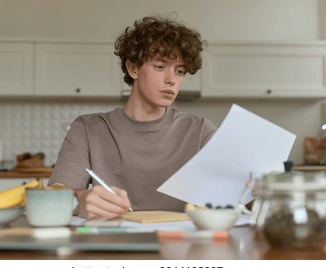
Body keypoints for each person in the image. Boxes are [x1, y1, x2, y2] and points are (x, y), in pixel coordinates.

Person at [48, 16, 217, 219]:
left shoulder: (200, 131)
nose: (171, 80)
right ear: (133, 69)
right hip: (112, 243)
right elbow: (56, 193)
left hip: (182, 245)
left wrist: (260, 189)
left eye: (179, 71)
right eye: (160, 67)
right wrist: (78, 200)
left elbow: (240, 195)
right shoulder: (88, 128)